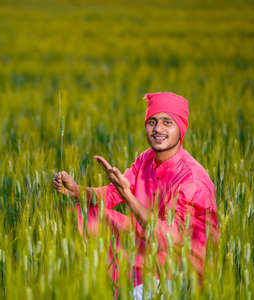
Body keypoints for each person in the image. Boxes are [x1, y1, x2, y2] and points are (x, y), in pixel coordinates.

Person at [52, 92, 220, 299]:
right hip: (150, 249)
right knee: (85, 214)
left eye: (167, 122)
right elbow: (114, 194)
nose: (158, 129)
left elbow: (169, 239)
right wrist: (77, 190)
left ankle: (132, 286)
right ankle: (114, 282)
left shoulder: (192, 180)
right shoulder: (146, 158)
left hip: (181, 270)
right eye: (152, 122)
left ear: (181, 128)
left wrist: (129, 198)